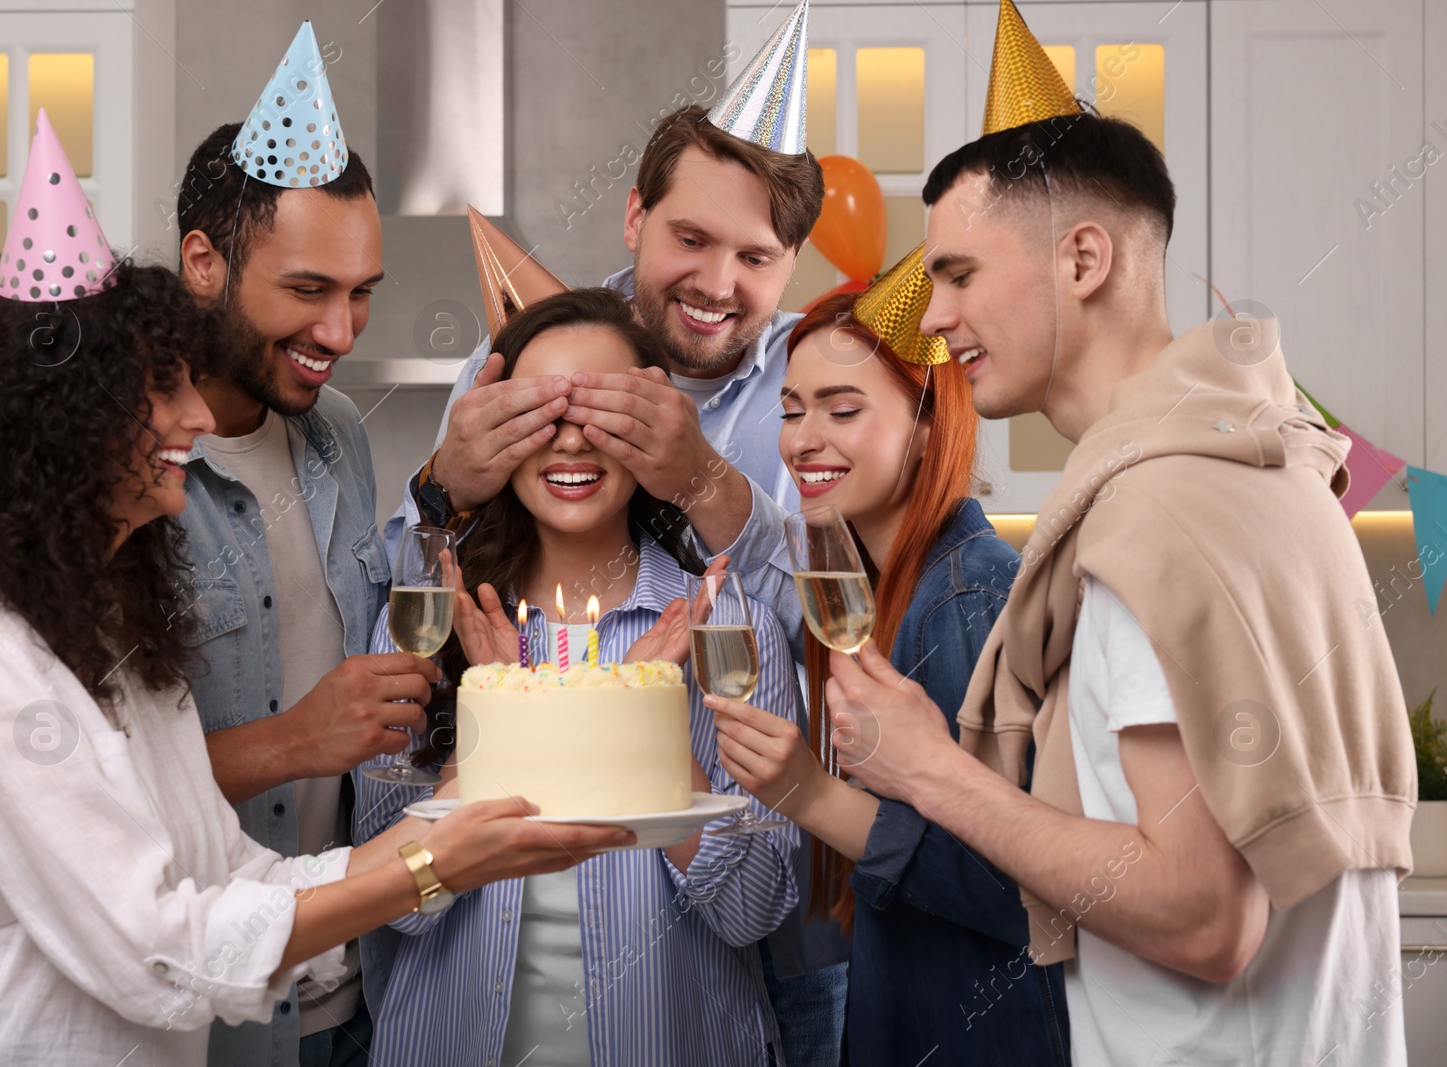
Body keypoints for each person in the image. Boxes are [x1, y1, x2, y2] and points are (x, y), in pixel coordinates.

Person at [0, 181, 630, 1062]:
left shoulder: (109, 632)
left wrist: (467, 802)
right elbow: (162, 954)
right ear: (60, 424)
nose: (194, 416)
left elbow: (243, 875)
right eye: (161, 390)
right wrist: (435, 863)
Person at [824, 3, 1414, 1064]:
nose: (933, 316)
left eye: (958, 272)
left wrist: (929, 770)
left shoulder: (1160, 516)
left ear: (1083, 257)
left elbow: (1203, 916)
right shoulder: (1264, 468)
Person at [388, 7, 853, 1058]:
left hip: (777, 934)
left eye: (756, 255)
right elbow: (413, 579)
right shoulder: (525, 357)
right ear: (635, 213)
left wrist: (705, 484)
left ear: (792, 265)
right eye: (691, 237)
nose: (718, 283)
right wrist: (440, 485)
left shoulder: (818, 392)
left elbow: (838, 625)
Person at [357, 288, 802, 1066]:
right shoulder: (428, 625)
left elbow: (754, 908)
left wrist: (647, 718)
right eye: (540, 416)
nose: (570, 446)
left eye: (603, 416)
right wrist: (500, 719)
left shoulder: (730, 628)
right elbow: (391, 903)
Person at [710, 279, 1070, 1065]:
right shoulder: (873, 599)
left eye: (843, 410)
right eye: (792, 409)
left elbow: (1028, 891)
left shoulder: (965, 595)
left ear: (928, 423)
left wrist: (809, 792)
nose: (803, 439)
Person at [167, 24, 428, 1064]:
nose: (345, 329)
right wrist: (292, 740)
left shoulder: (341, 441)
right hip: (201, 1013)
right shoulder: (123, 481)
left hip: (343, 993)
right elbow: (82, 787)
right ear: (203, 262)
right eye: (309, 289)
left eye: (362, 290)